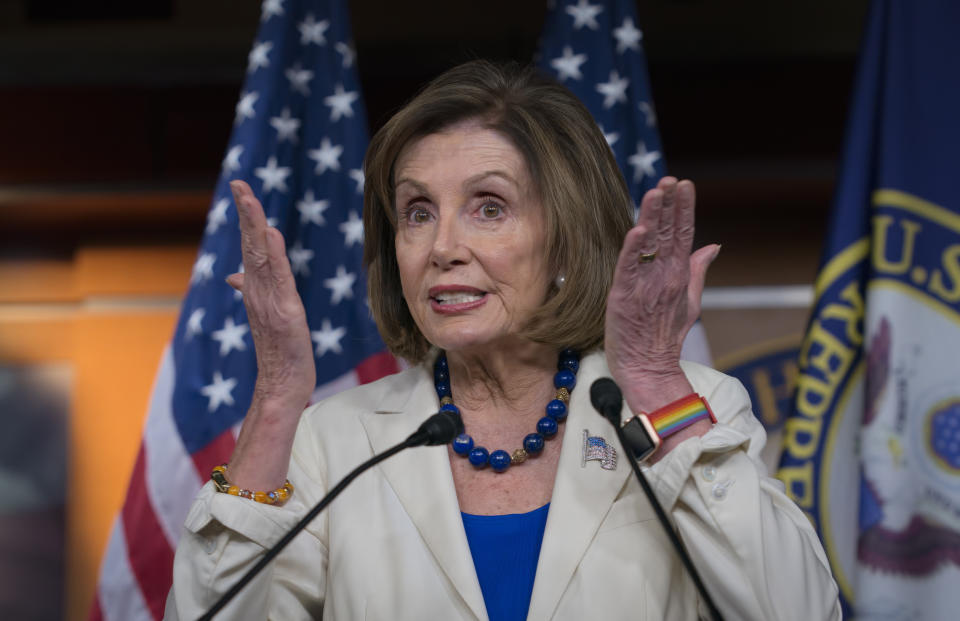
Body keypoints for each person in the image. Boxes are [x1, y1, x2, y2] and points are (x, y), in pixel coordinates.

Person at [166, 60, 841, 620]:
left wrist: (658, 381)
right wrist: (280, 398)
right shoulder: (331, 443)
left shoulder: (688, 408)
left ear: (564, 238)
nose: (443, 247)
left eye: (489, 206)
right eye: (417, 211)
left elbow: (799, 608)